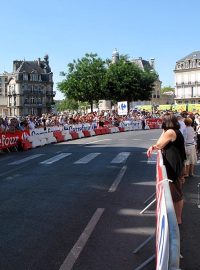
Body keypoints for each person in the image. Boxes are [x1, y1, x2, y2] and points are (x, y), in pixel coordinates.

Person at [147, 113, 186, 225]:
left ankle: (178, 219)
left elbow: (159, 145)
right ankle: (176, 217)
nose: (161, 122)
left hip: (174, 166)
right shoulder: (172, 131)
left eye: (163, 120)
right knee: (175, 191)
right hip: (176, 164)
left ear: (166, 121)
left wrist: (153, 147)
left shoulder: (170, 132)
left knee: (177, 194)